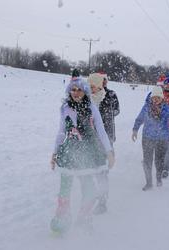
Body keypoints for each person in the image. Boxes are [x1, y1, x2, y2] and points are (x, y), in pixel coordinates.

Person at [50, 77, 115, 234]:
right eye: (73, 89)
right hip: (68, 152)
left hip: (88, 152)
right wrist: (54, 152)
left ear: (85, 91)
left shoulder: (92, 107)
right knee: (65, 188)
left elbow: (101, 130)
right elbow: (61, 132)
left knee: (89, 188)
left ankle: (83, 218)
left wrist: (109, 151)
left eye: (79, 90)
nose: (76, 93)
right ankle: (62, 219)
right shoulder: (65, 108)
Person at [132, 86, 169, 190]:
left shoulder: (167, 108)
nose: (155, 99)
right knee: (147, 161)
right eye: (154, 97)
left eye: (158, 97)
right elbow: (139, 119)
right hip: (148, 137)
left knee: (159, 161)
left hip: (162, 138)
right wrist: (135, 130)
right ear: (151, 98)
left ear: (162, 98)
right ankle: (149, 182)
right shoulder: (146, 107)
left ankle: (158, 179)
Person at [88, 72, 120, 214]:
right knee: (89, 168)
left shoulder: (110, 95)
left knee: (101, 171)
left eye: (105, 80)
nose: (104, 82)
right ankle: (91, 195)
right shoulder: (87, 97)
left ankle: (102, 201)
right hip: (89, 139)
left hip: (106, 137)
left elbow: (116, 111)